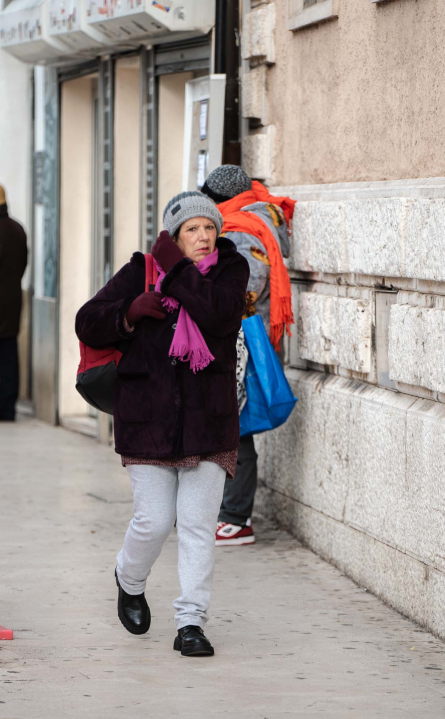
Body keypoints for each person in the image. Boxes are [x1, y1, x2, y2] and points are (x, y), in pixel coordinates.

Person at [75, 191, 249, 657]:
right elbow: (86, 321)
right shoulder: (139, 272)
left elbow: (215, 313)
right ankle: (128, 579)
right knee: (154, 521)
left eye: (210, 228)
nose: (204, 236)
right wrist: (128, 313)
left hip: (209, 422)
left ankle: (191, 623)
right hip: (147, 418)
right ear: (174, 235)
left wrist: (175, 270)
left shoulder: (231, 272)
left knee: (196, 525)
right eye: (192, 228)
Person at [199, 165, 296, 547]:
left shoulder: (241, 228)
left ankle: (236, 518)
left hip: (240, 340)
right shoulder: (255, 217)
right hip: (242, 338)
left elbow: (246, 286)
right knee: (229, 423)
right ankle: (226, 512)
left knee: (233, 426)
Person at [0, 182, 28, 421]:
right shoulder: (18, 229)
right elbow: (23, 265)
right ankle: (7, 406)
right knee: (8, 359)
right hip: (12, 303)